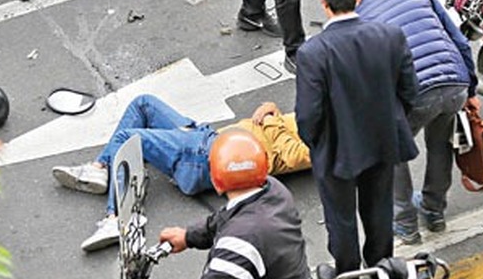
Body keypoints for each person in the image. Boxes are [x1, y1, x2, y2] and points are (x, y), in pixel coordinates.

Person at [52, 93, 310, 252]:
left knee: (126, 139)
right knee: (143, 104)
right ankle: (101, 169)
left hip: (204, 157)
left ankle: (116, 219)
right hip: (209, 138)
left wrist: (271, 118)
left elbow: (295, 155)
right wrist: (274, 108)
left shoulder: (337, 137)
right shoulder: (328, 110)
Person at [141, 129, 314, 279]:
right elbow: (224, 218)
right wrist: (188, 236)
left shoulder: (242, 240)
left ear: (216, 177)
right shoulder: (271, 189)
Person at [295, 0, 419, 279]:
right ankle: (382, 267)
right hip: (382, 140)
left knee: (341, 218)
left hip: (337, 149)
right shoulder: (389, 35)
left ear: (323, 2)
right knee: (379, 210)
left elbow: (308, 114)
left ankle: (347, 274)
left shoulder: (313, 52)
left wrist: (316, 144)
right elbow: (409, 91)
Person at [346, 0, 477, 243]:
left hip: (416, 93)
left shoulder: (359, 19)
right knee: (441, 143)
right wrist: (472, 90)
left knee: (391, 151)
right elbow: (460, 41)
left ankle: (404, 222)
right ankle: (434, 209)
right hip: (455, 83)